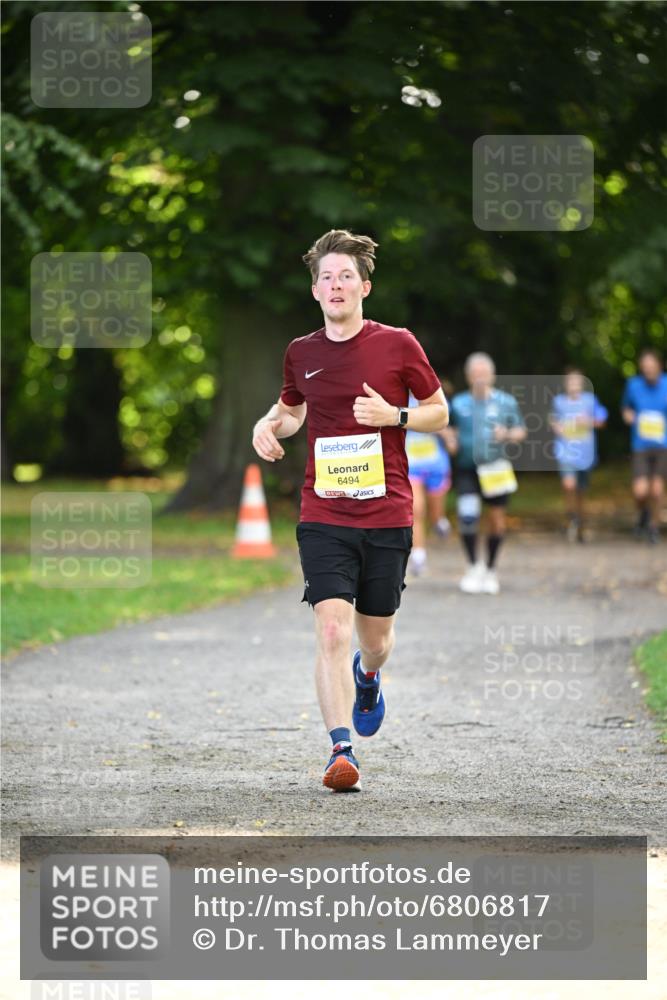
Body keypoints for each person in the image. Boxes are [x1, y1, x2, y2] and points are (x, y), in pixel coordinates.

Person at [251, 229, 448, 791]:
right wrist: (268, 427)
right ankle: (342, 751)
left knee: (374, 640)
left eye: (345, 276)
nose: (335, 285)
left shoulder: (398, 345)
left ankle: (369, 677)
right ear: (315, 291)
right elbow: (291, 412)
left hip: (387, 513)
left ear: (364, 286)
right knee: (332, 629)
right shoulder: (302, 352)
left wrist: (396, 417)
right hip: (324, 513)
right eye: (325, 277)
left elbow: (438, 411)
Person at [447, 352, 526, 595]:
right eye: (475, 374)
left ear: (492, 376)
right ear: (469, 376)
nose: (480, 378)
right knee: (468, 516)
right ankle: (473, 567)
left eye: (484, 373)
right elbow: (447, 427)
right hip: (467, 469)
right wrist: (450, 439)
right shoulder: (458, 403)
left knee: (496, 519)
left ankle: (491, 569)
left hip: (495, 468)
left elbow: (521, 430)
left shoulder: (506, 402)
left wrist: (508, 434)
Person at [550, 367, 608, 542]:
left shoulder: (590, 401)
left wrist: (589, 421)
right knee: (569, 485)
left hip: (585, 453)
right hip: (566, 450)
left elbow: (601, 419)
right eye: (570, 381)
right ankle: (571, 515)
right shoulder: (559, 402)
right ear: (565, 384)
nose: (573, 385)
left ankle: (580, 521)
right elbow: (553, 420)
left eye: (577, 381)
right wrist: (557, 427)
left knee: (581, 491)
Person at [406, 379, 452, 576]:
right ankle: (418, 557)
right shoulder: (398, 399)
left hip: (436, 465)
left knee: (435, 513)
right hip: (411, 465)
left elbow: (445, 426)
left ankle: (439, 522)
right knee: (417, 509)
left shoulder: (435, 399)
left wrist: (447, 437)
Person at [621, 348, 667, 544]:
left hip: (663, 445)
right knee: (640, 492)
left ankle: (653, 528)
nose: (648, 370)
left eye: (652, 366)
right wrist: (628, 416)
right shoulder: (633, 385)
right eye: (645, 367)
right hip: (640, 445)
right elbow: (626, 407)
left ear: (659, 366)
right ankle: (643, 513)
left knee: (656, 490)